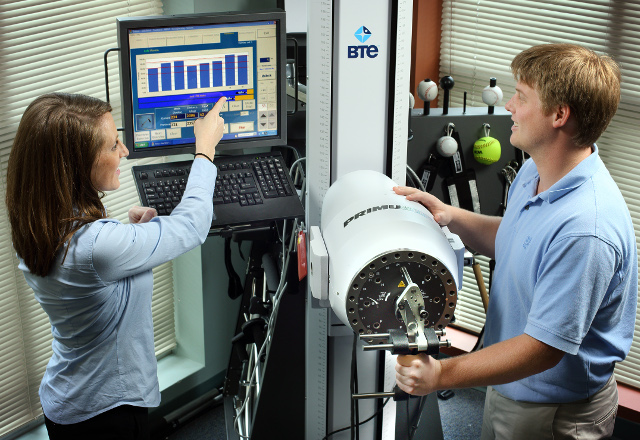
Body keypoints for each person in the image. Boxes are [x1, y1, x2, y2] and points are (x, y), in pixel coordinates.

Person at [394, 44, 637, 439]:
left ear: (559, 115)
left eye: (521, 97)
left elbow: (542, 349)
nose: (509, 105)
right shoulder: (536, 171)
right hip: (512, 387)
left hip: (554, 411)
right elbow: (513, 238)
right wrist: (450, 215)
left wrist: (441, 374)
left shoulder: (586, 229)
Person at [5, 92, 226, 439]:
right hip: (105, 414)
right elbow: (192, 227)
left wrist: (132, 238)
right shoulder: (96, 247)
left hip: (67, 400)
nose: (123, 151)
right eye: (112, 147)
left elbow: (90, 280)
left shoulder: (37, 224)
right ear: (76, 167)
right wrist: (205, 148)